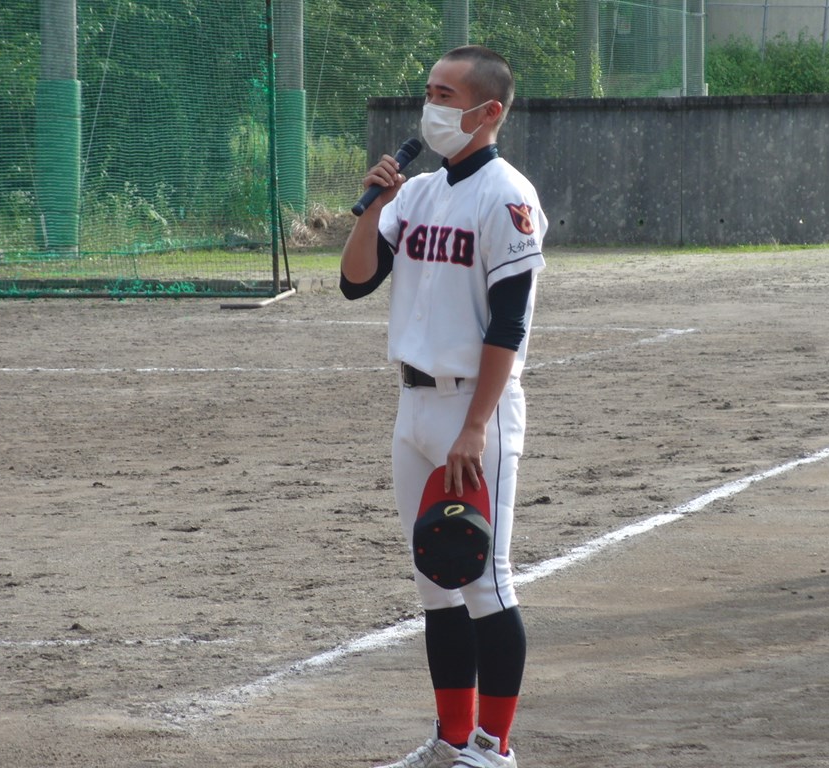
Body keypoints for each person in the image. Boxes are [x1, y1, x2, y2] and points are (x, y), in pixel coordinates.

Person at [340, 46, 547, 768]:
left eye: (445, 94)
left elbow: (508, 324)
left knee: (486, 583)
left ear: (488, 111)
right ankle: (453, 741)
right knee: (435, 583)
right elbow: (356, 282)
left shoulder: (508, 196)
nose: (430, 105)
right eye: (428, 91)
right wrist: (375, 205)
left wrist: (476, 426)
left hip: (473, 411)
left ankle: (495, 747)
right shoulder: (418, 193)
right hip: (414, 406)